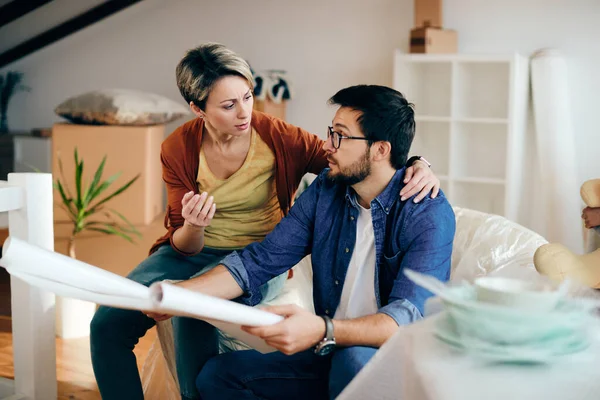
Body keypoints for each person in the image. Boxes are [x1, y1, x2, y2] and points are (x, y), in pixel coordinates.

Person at [90, 43, 441, 400]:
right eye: (228, 105)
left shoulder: (422, 210)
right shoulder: (182, 149)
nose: (245, 112)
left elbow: (405, 315)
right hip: (204, 258)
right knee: (130, 335)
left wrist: (418, 162)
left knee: (345, 360)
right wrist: (178, 274)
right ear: (198, 109)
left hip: (333, 319)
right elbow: (250, 258)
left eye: (247, 96)